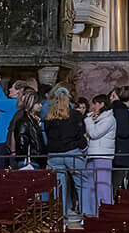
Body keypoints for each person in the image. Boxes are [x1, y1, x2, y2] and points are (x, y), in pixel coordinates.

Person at [42, 88, 89, 220]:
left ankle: (60, 219)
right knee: (82, 184)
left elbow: (47, 139)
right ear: (68, 99)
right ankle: (86, 215)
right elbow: (81, 136)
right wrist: (84, 149)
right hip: (72, 153)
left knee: (59, 187)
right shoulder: (76, 115)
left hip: (54, 155)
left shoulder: (48, 118)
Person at [84, 94, 118, 211]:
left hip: (103, 156)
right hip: (92, 154)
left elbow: (95, 133)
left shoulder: (109, 119)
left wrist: (88, 120)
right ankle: (93, 212)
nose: (93, 106)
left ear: (102, 104)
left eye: (95, 103)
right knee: (91, 186)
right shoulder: (95, 118)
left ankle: (106, 212)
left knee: (103, 186)